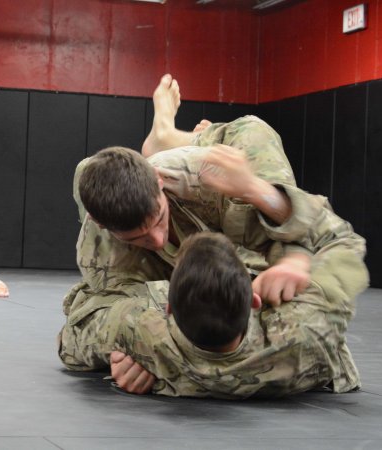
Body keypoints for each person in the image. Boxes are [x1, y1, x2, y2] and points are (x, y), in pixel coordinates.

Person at [58, 73, 360, 375]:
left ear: (160, 183)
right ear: (101, 225)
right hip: (156, 259)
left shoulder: (208, 183)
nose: (158, 240)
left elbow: (310, 231)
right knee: (87, 171)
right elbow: (105, 316)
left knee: (253, 134)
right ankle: (166, 142)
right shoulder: (103, 255)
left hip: (208, 169)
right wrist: (130, 350)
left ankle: (170, 138)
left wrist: (293, 253)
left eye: (160, 220)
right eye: (140, 238)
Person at [109, 230, 367, 398]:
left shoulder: (145, 335)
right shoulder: (307, 330)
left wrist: (123, 362)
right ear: (255, 302)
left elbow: (81, 333)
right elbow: (345, 242)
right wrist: (297, 264)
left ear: (169, 309)